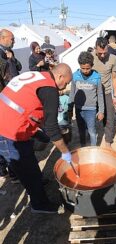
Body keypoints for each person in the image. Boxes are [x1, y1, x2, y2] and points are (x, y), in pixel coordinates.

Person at [0, 63, 73, 214]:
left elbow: (28, 104)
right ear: (59, 76)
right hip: (8, 131)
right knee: (28, 170)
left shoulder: (39, 76)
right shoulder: (50, 89)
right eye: (65, 82)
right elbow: (52, 128)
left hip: (10, 119)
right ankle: (39, 204)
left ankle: (36, 182)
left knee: (31, 158)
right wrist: (65, 152)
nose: (64, 86)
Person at [69, 51, 104, 146]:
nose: (85, 70)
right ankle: (83, 147)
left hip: (91, 109)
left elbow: (100, 94)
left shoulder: (97, 77)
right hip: (79, 108)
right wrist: (70, 109)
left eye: (87, 68)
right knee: (81, 130)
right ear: (79, 66)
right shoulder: (75, 76)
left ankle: (93, 150)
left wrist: (101, 111)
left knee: (92, 131)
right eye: (82, 68)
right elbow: (72, 93)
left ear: (92, 65)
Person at [0, 29, 21, 179]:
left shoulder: (9, 52)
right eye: (12, 39)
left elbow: (18, 67)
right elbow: (7, 76)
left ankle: (12, 171)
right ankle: (11, 172)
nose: (14, 41)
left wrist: (12, 59)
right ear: (2, 38)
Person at [92, 37, 116, 147]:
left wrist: (115, 96)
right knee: (91, 116)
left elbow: (114, 77)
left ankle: (108, 141)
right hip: (93, 92)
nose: (102, 56)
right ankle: (91, 139)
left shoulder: (113, 58)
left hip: (107, 91)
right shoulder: (90, 57)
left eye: (105, 52)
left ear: (108, 47)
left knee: (110, 116)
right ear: (95, 49)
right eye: (100, 53)